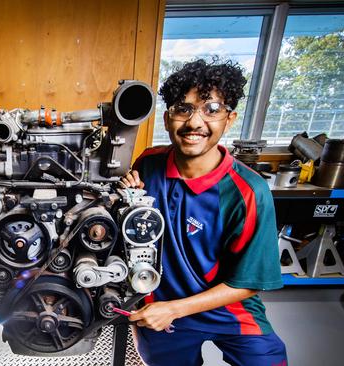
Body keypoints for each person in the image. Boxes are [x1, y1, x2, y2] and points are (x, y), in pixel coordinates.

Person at [121, 59, 287, 366]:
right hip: (162, 305)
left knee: (269, 361)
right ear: (168, 116)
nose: (195, 122)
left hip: (225, 307)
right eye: (183, 108)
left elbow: (250, 281)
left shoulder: (248, 192)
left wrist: (176, 309)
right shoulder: (148, 163)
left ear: (230, 118)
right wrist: (126, 194)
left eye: (211, 109)